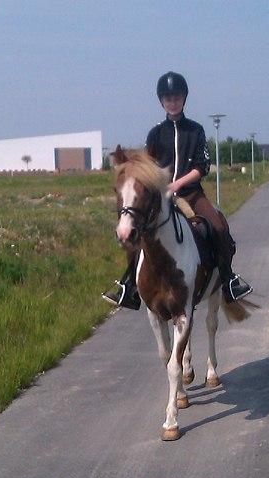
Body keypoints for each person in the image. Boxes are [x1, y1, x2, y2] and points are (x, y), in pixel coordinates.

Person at [102, 71, 253, 309]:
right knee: (136, 231)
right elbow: (145, 168)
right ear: (162, 101)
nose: (173, 102)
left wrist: (177, 184)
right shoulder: (155, 133)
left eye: (177, 97)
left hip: (191, 194)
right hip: (160, 198)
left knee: (219, 226)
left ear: (184, 99)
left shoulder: (196, 131)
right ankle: (129, 285)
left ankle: (228, 280)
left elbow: (202, 167)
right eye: (168, 98)